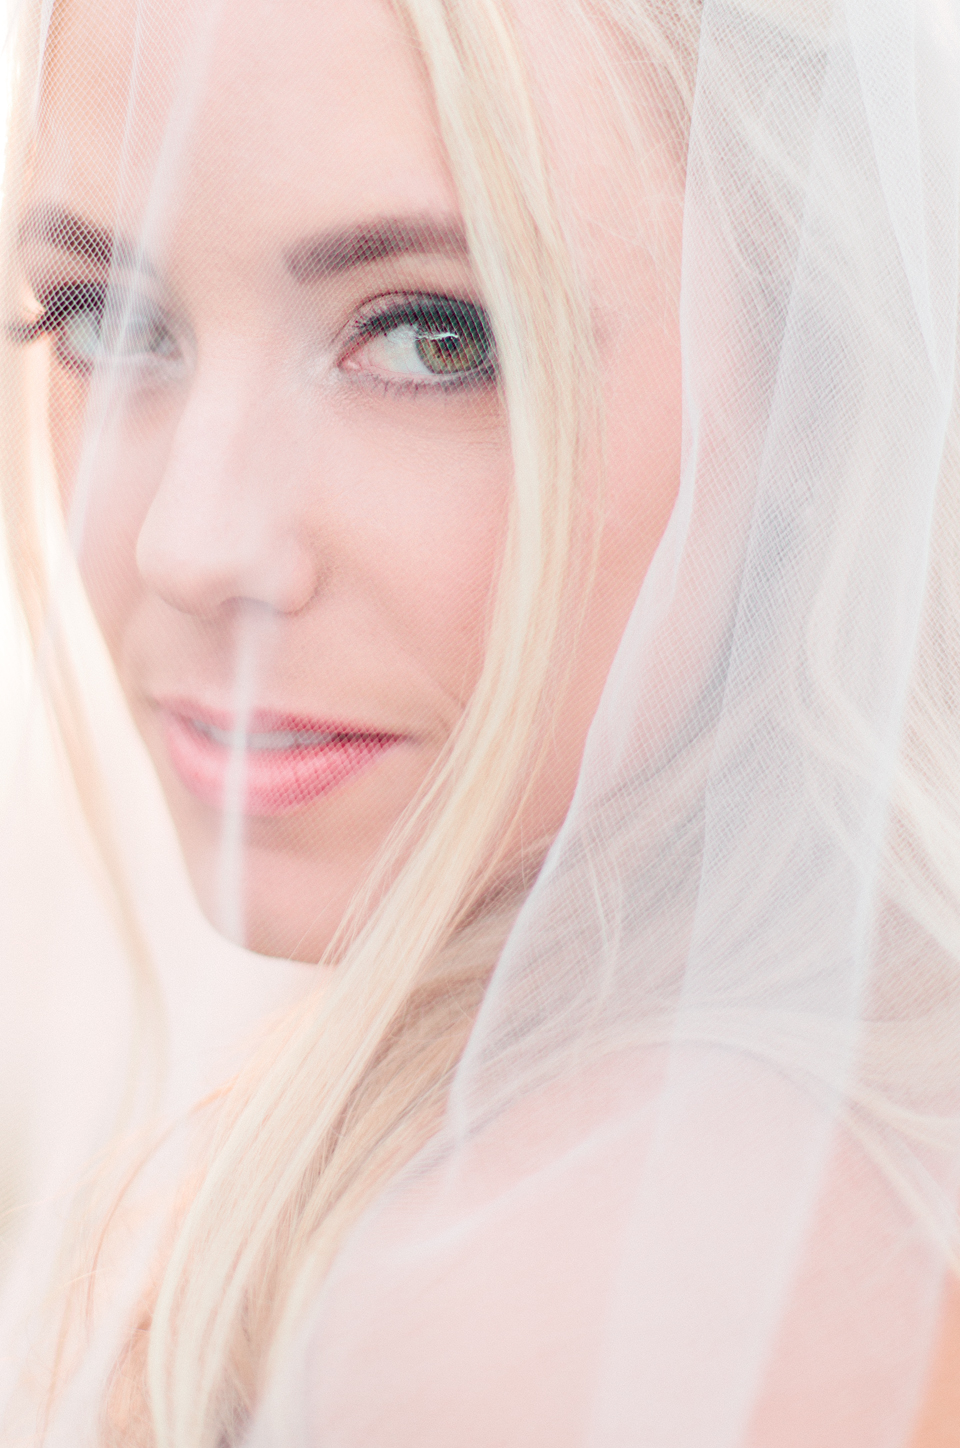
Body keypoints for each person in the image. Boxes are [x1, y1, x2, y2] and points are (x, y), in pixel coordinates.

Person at [0, 0, 958, 1442]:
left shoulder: (556, 1281)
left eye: (438, 337)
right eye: (112, 321)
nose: (187, 547)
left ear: (813, 380)